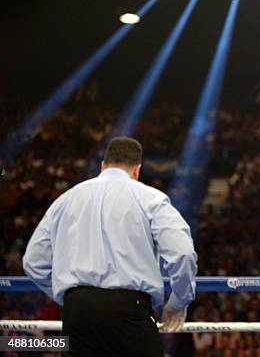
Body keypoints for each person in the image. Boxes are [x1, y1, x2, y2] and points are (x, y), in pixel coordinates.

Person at [23, 136, 197, 356]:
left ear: (103, 166)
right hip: (127, 310)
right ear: (137, 170)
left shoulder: (65, 199)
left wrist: (70, 295)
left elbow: (32, 262)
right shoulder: (150, 198)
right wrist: (178, 302)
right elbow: (182, 253)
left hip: (77, 313)